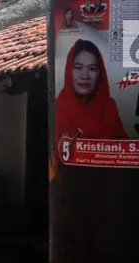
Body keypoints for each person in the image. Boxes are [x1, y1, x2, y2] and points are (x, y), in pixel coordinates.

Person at [51, 39, 128, 181]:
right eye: (78, 67)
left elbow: (127, 158)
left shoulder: (109, 107)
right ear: (69, 70)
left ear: (100, 73)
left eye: (92, 68)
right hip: (68, 194)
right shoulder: (59, 108)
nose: (84, 75)